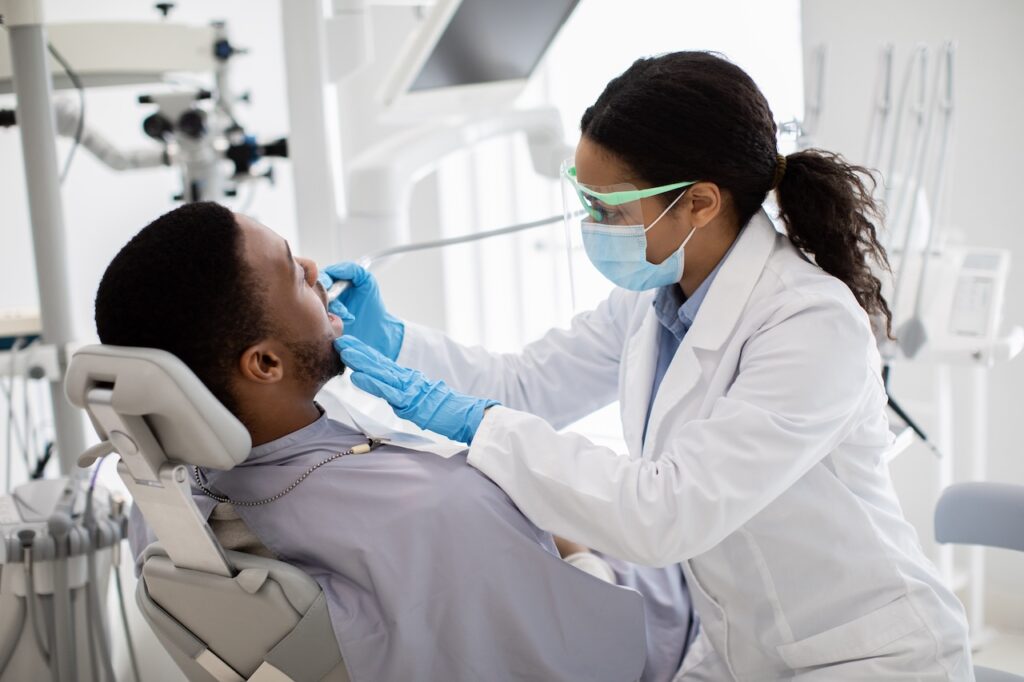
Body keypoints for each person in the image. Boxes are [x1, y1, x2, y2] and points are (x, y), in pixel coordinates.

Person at [326, 52, 973, 679]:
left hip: (869, 657)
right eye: (586, 202)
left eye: (610, 211)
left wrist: (479, 423)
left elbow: (668, 514)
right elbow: (523, 384)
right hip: (739, 651)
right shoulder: (652, 301)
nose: (591, 225)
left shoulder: (810, 323)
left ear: (699, 203)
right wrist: (394, 341)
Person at [93, 202, 672, 682]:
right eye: (295, 272)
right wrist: (583, 551)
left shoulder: (166, 515)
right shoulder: (437, 509)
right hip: (665, 619)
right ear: (265, 362)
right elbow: (596, 655)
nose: (316, 268)